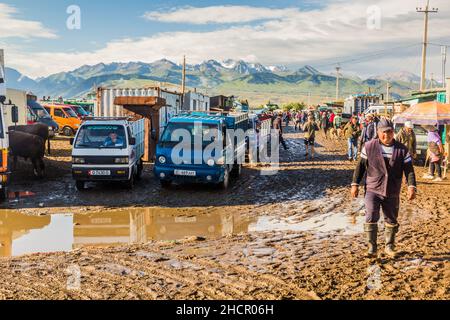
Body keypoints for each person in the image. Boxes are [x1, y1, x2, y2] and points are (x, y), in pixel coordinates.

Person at [351, 118, 416, 258]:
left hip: (392, 189)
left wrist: (411, 186)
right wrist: (355, 184)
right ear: (378, 132)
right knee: (371, 215)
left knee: (391, 218)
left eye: (390, 132)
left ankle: (389, 246)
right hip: (373, 188)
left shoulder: (402, 150)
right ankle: (372, 247)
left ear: (394, 132)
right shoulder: (368, 147)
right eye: (384, 132)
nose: (387, 135)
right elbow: (360, 167)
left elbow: (409, 170)